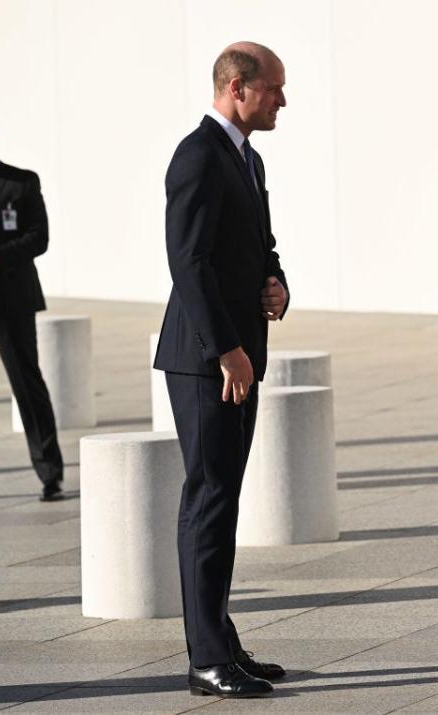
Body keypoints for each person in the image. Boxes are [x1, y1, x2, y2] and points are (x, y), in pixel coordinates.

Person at [153, 42, 290, 698]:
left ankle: (222, 640)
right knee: (208, 503)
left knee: (224, 503)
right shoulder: (198, 156)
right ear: (239, 88)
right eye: (274, 90)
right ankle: (206, 658)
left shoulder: (247, 157)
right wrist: (226, 349)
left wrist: (276, 281)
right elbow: (190, 260)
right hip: (208, 362)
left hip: (239, 355)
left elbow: (257, 245)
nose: (282, 101)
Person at [0, 135, 65, 502]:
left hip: (10, 300)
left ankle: (50, 472)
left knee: (27, 385)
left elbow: (39, 238)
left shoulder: (21, 182)